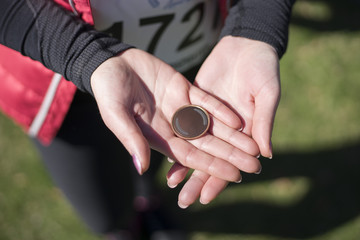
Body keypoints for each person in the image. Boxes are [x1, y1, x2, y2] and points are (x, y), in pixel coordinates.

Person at [0, 0, 295, 239]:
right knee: (103, 212)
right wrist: (85, 54)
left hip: (195, 58)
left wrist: (256, 25)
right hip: (62, 81)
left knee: (160, 150)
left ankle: (146, 199)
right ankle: (120, 229)